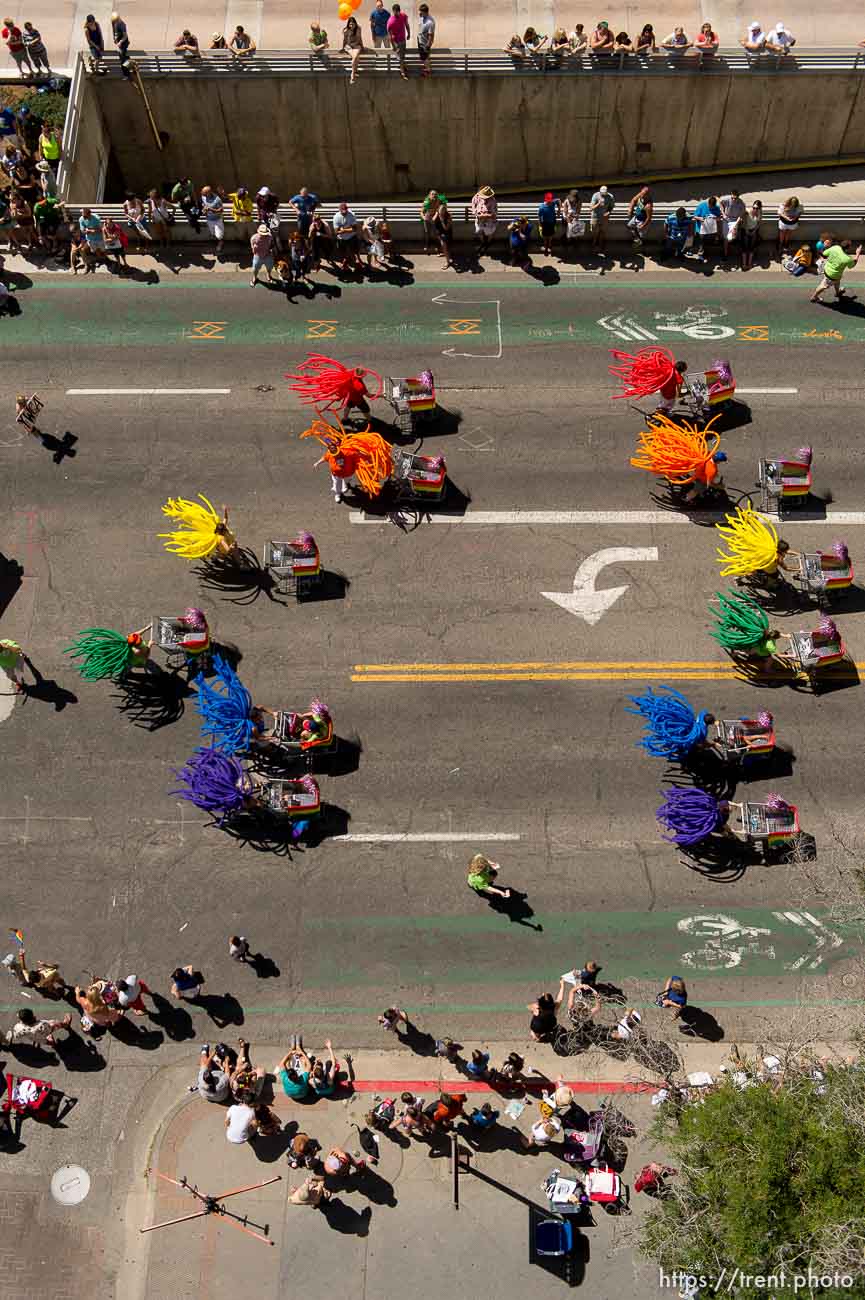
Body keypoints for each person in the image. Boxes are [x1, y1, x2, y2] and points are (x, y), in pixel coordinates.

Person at [811, 239, 861, 304]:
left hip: (828, 270)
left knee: (837, 282)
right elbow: (852, 265)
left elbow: (824, 254)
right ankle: (814, 297)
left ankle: (837, 293)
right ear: (848, 248)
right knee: (823, 286)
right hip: (832, 275)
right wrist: (857, 254)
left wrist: (825, 246)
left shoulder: (835, 247)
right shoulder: (847, 259)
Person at [6, 1008, 71, 1047]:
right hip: (45, 1031)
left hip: (35, 1038)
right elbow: (50, 1026)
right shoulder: (42, 1024)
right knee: (56, 1023)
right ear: (33, 1016)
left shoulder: (18, 1027)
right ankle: (66, 1024)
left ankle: (52, 1043)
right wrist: (56, 1024)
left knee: (45, 1041)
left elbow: (17, 1035)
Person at [332, 201, 361, 271]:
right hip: (341, 238)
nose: (344, 212)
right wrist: (348, 229)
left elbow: (354, 229)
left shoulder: (352, 215)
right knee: (342, 252)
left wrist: (343, 230)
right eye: (342, 211)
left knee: (354, 251)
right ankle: (345, 264)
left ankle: (355, 263)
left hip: (352, 237)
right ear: (339, 210)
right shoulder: (336, 217)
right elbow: (336, 232)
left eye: (345, 210)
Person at [693, 194, 721, 261]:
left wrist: (716, 218)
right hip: (701, 229)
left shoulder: (716, 208)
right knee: (701, 241)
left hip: (711, 229)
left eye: (712, 207)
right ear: (708, 203)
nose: (711, 208)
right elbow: (695, 216)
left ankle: (707, 253)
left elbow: (719, 218)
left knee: (711, 240)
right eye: (710, 206)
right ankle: (700, 254)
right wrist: (700, 218)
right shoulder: (701, 205)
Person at [719, 191, 746, 258]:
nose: (733, 199)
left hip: (734, 220)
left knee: (731, 238)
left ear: (738, 197)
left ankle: (731, 242)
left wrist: (736, 224)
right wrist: (723, 214)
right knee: (725, 238)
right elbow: (720, 203)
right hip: (726, 219)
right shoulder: (726, 199)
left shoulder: (741, 203)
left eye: (735, 198)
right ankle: (725, 254)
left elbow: (740, 216)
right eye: (732, 198)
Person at [200, 186, 225, 255]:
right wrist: (204, 209)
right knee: (213, 233)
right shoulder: (203, 197)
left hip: (217, 219)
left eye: (204, 193)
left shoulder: (217, 200)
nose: (203, 195)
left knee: (219, 235)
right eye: (203, 193)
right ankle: (217, 240)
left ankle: (220, 242)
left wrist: (211, 209)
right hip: (209, 219)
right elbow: (204, 204)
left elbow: (221, 210)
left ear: (209, 193)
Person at [387, 3, 410, 78]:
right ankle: (402, 71)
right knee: (400, 56)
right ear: (393, 11)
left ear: (399, 11)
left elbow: (407, 25)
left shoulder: (403, 16)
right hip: (396, 41)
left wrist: (409, 33)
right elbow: (389, 35)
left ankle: (402, 66)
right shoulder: (390, 21)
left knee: (402, 55)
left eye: (398, 11)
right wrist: (393, 45)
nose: (397, 13)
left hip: (403, 40)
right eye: (395, 12)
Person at [739, 199, 763, 271]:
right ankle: (744, 264)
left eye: (757, 208)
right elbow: (744, 222)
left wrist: (754, 231)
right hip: (745, 230)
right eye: (754, 207)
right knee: (744, 247)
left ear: (759, 208)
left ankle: (749, 263)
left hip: (753, 230)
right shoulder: (748, 211)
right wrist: (746, 230)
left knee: (751, 247)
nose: (755, 209)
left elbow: (758, 223)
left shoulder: (760, 213)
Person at [589, 184, 614, 252]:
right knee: (595, 232)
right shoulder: (595, 195)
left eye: (604, 193)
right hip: (595, 216)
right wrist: (598, 204)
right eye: (602, 193)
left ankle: (601, 244)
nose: (603, 195)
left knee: (603, 231)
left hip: (604, 217)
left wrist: (609, 212)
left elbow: (611, 207)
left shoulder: (610, 197)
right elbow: (591, 208)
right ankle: (594, 243)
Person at [341, 16, 365, 83]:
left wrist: (362, 46)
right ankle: (354, 73)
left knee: (355, 57)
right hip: (348, 46)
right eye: (350, 24)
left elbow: (360, 38)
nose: (351, 26)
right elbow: (345, 40)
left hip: (357, 45)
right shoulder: (346, 30)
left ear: (355, 23)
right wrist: (343, 48)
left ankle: (352, 74)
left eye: (353, 24)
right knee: (355, 57)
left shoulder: (358, 29)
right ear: (348, 24)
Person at [560, 188, 582, 255]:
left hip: (574, 218)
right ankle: (567, 244)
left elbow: (578, 211)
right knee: (568, 233)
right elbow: (565, 211)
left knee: (575, 233)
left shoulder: (579, 201)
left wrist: (575, 217)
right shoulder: (567, 201)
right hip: (567, 218)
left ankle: (574, 243)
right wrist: (568, 218)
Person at [433, 199, 454, 266]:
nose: (441, 212)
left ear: (445, 210)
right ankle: (448, 257)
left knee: (444, 246)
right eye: (440, 210)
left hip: (446, 232)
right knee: (445, 247)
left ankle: (447, 262)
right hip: (439, 232)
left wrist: (442, 220)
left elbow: (446, 228)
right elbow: (433, 220)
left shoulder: (448, 216)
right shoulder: (437, 213)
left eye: (443, 210)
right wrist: (437, 214)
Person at [537, 191, 558, 256]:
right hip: (545, 224)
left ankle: (550, 244)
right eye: (549, 200)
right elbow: (539, 217)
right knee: (545, 237)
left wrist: (559, 210)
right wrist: (540, 224)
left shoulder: (553, 203)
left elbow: (558, 200)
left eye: (550, 200)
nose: (550, 202)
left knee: (551, 235)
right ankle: (546, 248)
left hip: (552, 223)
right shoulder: (542, 207)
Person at [417, 3, 435, 76]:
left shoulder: (430, 22)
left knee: (425, 57)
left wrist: (428, 45)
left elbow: (431, 35)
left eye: (421, 12)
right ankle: (425, 67)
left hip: (425, 42)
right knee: (423, 57)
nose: (419, 13)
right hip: (420, 40)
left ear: (425, 12)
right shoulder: (422, 17)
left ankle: (428, 71)